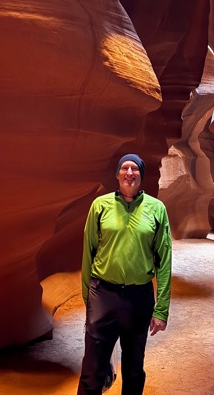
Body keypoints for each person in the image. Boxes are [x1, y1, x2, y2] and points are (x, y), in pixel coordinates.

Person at [77, 153, 172, 395]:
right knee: (93, 368)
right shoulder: (100, 206)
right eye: (125, 168)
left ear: (141, 174)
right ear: (117, 174)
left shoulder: (156, 208)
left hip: (139, 297)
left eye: (135, 169)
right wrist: (88, 296)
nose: (130, 173)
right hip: (103, 293)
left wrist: (161, 309)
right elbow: (89, 251)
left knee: (133, 368)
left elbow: (164, 259)